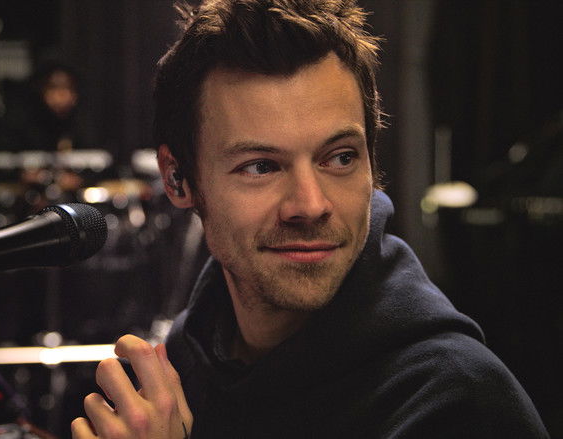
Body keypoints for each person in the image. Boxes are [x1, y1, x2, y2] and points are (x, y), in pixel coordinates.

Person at [71, 0, 550, 437]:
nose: (311, 204)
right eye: (261, 166)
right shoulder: (182, 366)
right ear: (178, 181)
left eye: (339, 158)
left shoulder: (457, 402)